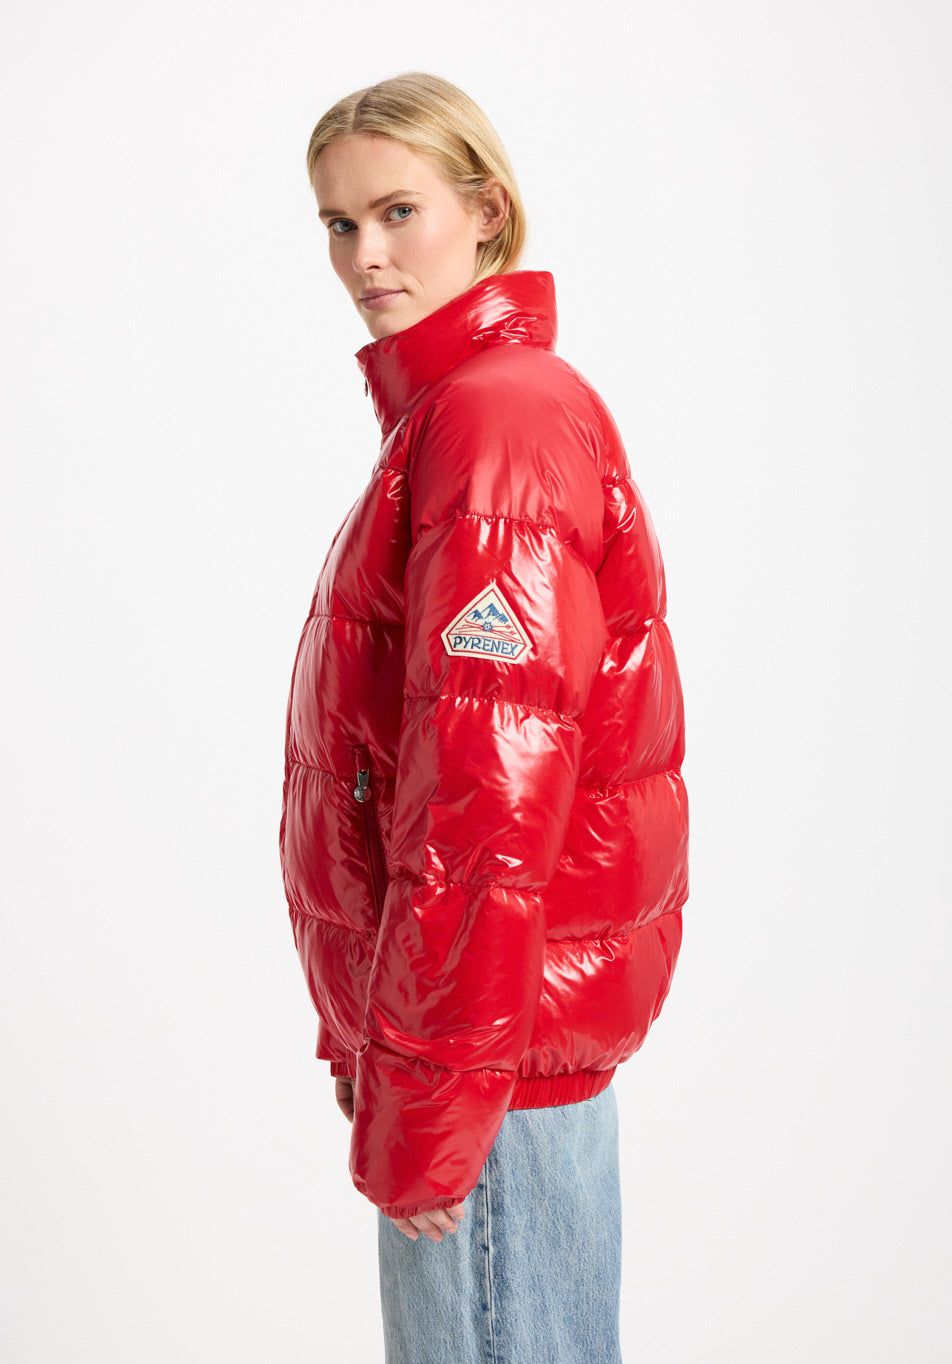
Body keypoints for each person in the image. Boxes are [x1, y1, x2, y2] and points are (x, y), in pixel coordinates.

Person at [279, 71, 688, 1364]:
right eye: (339, 223)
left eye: (398, 211)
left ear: (488, 213)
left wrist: (430, 1100)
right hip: (484, 1057)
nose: (365, 255)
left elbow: (483, 796)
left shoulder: (495, 421)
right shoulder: (457, 420)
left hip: (486, 1071)